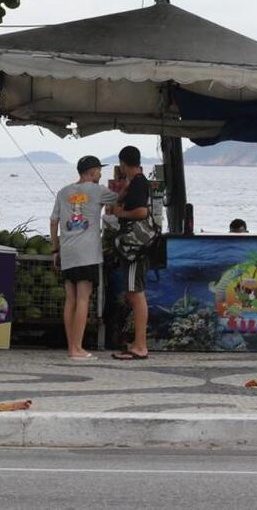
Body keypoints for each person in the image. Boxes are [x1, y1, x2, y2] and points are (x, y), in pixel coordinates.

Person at [50, 155, 118, 359]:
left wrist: (55, 249)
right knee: (83, 299)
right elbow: (120, 199)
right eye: (98, 170)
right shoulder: (98, 190)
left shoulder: (63, 192)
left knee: (70, 300)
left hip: (68, 251)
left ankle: (72, 347)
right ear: (91, 172)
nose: (100, 174)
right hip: (88, 253)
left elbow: (53, 221)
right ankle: (77, 348)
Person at [109, 145, 150, 360]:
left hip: (135, 248)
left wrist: (121, 212)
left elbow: (142, 212)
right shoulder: (135, 183)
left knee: (135, 293)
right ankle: (138, 342)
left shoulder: (139, 183)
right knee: (133, 292)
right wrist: (123, 191)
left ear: (123, 163)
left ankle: (141, 345)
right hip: (132, 247)